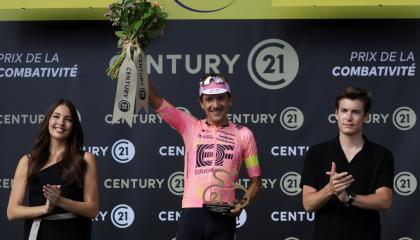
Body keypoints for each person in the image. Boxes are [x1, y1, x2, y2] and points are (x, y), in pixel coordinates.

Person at [149, 73, 262, 240]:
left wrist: (243, 202)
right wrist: (138, 61)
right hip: (192, 215)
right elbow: (153, 99)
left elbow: (257, 182)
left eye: (221, 98)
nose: (215, 105)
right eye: (209, 99)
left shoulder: (244, 135)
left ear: (230, 100)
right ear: (201, 103)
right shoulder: (189, 125)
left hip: (224, 217)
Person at [301, 86, 394, 240]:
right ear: (336, 114)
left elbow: (385, 201)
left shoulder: (381, 155)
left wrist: (348, 198)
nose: (348, 117)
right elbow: (308, 204)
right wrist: (330, 189)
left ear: (366, 117)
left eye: (355, 112)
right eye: (344, 111)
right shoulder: (317, 153)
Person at [7, 99, 99, 240]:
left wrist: (60, 201)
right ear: (48, 121)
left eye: (68, 119)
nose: (60, 123)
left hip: (74, 234)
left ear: (74, 126)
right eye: (56, 116)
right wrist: (44, 209)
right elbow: (12, 212)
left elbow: (92, 210)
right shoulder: (27, 161)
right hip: (38, 234)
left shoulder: (86, 159)